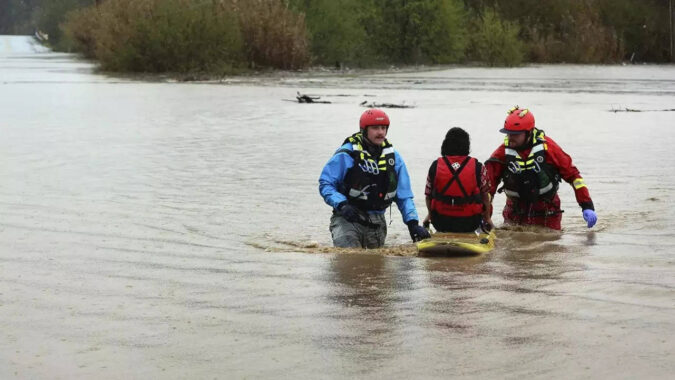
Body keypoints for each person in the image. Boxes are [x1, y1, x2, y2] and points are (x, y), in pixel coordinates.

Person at [319, 108, 430, 248]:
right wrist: (342, 204)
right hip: (347, 219)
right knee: (350, 261)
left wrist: (412, 224)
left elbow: (404, 196)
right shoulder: (347, 154)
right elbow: (326, 184)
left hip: (377, 223)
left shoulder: (394, 158)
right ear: (364, 130)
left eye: (383, 128)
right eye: (375, 128)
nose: (380, 132)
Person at [485, 106, 598, 230]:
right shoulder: (501, 154)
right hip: (515, 212)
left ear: (529, 132)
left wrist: (587, 206)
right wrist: (485, 218)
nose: (510, 137)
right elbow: (487, 190)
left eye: (516, 134)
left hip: (547, 212)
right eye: (508, 133)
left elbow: (574, 177)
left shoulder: (549, 149)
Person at [423, 127, 493, 233]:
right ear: (467, 146)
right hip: (470, 223)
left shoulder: (435, 166)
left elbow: (428, 196)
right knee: (486, 194)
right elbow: (485, 198)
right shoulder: (478, 167)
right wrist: (487, 218)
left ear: (445, 145)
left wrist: (429, 215)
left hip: (440, 222)